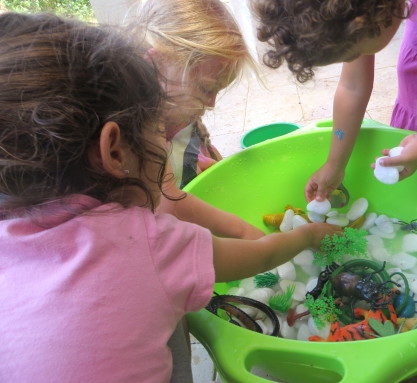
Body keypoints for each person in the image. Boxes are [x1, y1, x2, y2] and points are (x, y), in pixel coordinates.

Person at [0, 12, 343, 382]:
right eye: (158, 133)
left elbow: (171, 195)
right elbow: (258, 256)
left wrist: (244, 231)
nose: (210, 105)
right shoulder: (147, 245)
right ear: (115, 152)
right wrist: (306, 236)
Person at [253, 0, 417, 203]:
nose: (356, 59)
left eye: (355, 52)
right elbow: (353, 85)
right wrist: (335, 163)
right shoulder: (356, 8)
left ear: (367, 19)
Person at [126, 0, 265, 240]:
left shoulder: (173, 102)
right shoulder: (140, 128)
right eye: (206, 88)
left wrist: (198, 161)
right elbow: (171, 202)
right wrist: (250, 236)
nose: (211, 103)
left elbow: (188, 138)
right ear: (156, 63)